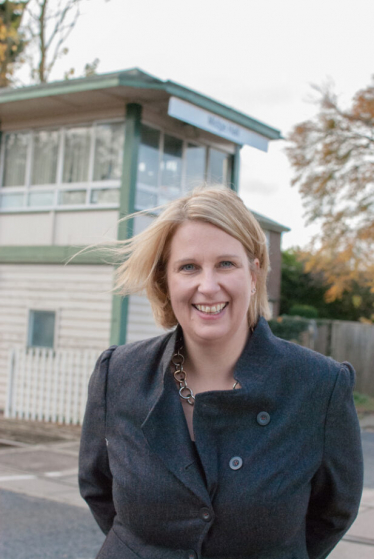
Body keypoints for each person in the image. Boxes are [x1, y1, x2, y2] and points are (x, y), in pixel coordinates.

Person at [79, 186, 363, 559]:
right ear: (167, 280)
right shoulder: (117, 374)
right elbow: (97, 489)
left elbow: (333, 513)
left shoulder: (319, 386)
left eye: (226, 264)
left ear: (253, 273)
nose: (208, 286)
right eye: (188, 267)